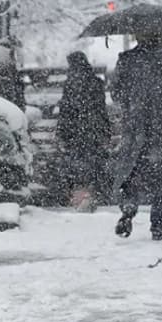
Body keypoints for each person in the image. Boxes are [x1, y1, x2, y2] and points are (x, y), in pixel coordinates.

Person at [111, 31, 162, 240]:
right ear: (161, 36)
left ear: (138, 37)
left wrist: (131, 107)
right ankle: (158, 226)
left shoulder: (126, 59)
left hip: (134, 129)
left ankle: (129, 206)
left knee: (132, 173)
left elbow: (115, 93)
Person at [56, 51, 112, 210]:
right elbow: (101, 109)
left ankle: (78, 196)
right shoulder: (96, 82)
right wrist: (105, 130)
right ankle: (91, 194)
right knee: (93, 163)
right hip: (93, 130)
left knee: (74, 164)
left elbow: (66, 110)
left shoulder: (70, 83)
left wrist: (61, 131)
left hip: (73, 132)